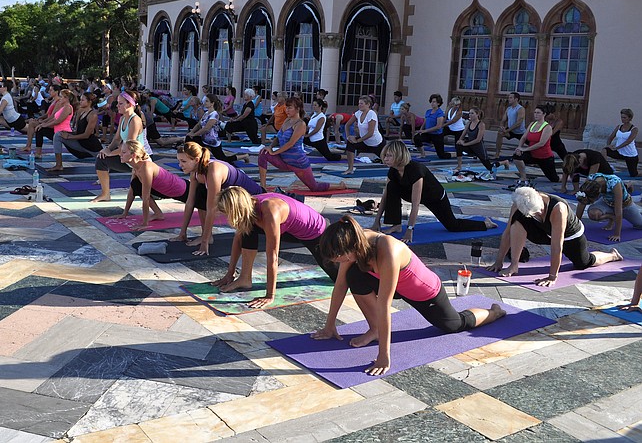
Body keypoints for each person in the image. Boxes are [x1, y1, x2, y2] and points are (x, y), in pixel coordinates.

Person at [310, 215, 507, 376]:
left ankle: (494, 312)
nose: (338, 262)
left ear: (350, 248)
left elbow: (384, 306)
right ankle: (375, 330)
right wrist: (330, 326)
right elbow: (340, 285)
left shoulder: (388, 250)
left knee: (454, 325)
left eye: (338, 258)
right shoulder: (354, 242)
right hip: (393, 284)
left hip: (423, 292)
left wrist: (383, 356)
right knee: (353, 276)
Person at [210, 187, 328, 309]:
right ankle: (245, 278)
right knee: (247, 226)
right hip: (290, 227)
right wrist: (230, 274)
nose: (226, 217)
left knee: (336, 275)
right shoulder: (249, 206)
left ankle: (332, 238)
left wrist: (270, 295)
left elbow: (273, 257)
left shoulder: (269, 211)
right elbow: (238, 239)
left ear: (236, 209)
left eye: (227, 213)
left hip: (315, 232)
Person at [487, 186, 622, 287]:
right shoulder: (520, 200)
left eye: (538, 213)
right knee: (517, 221)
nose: (538, 215)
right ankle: (514, 265)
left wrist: (552, 276)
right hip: (544, 232)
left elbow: (557, 245)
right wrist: (499, 261)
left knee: (583, 263)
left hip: (570, 237)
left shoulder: (558, 208)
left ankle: (612, 255)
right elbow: (507, 233)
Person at [371, 140, 496, 244]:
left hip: (435, 197)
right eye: (385, 156)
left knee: (453, 226)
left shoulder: (416, 170)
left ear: (399, 156)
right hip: (410, 193)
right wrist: (376, 222)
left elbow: (415, 204)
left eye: (389, 156)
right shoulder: (393, 170)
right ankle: (396, 225)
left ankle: (485, 224)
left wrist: (410, 229)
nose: (385, 159)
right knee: (391, 186)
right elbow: (386, 196)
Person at [175, 141, 265, 256]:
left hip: (256, 197)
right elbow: (190, 202)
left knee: (262, 226)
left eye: (183, 161)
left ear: (196, 160)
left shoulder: (213, 171)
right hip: (235, 197)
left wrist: (204, 243)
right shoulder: (195, 173)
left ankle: (207, 237)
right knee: (200, 194)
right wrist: (182, 233)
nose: (180, 165)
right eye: (179, 161)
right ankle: (207, 236)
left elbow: (212, 208)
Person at [258, 97, 346, 192]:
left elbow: (291, 143)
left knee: (314, 187)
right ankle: (263, 187)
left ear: (297, 109)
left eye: (290, 108)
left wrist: (274, 152)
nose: (287, 110)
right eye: (286, 107)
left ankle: (340, 186)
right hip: (284, 160)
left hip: (297, 162)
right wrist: (270, 147)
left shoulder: (301, 124)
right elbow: (278, 137)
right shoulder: (287, 121)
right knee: (263, 153)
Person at [91, 90, 152, 202]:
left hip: (138, 160)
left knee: (150, 194)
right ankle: (105, 194)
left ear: (129, 104)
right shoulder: (123, 118)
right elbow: (117, 139)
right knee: (101, 159)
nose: (117, 106)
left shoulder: (135, 120)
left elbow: (129, 146)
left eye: (120, 103)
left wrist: (110, 153)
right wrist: (107, 149)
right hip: (127, 157)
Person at [120, 140, 192, 230]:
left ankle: (158, 214)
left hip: (183, 189)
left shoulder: (146, 168)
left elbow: (146, 198)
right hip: (168, 191)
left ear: (133, 155)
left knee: (206, 205)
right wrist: (125, 213)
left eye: (123, 152)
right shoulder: (136, 168)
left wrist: (145, 224)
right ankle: (158, 214)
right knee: (136, 184)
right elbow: (132, 190)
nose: (120, 154)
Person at [498, 104, 559, 187]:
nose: (536, 115)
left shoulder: (547, 127)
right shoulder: (532, 124)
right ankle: (523, 177)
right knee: (516, 156)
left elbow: (541, 143)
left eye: (538, 113)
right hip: (532, 154)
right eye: (535, 112)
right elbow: (523, 137)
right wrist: (519, 148)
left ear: (544, 114)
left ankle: (568, 177)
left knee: (554, 179)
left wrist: (525, 149)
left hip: (545, 157)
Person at [576, 173, 642, 242]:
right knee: (594, 214)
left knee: (640, 225)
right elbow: (582, 203)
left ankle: (628, 185)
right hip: (606, 202)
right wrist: (576, 224)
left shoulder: (614, 183)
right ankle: (612, 217)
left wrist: (617, 234)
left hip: (625, 204)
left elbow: (618, 211)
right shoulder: (590, 181)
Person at [185, 93, 248, 165]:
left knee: (223, 159)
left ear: (212, 103)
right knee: (188, 138)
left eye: (207, 101)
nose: (204, 103)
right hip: (204, 139)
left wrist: (194, 134)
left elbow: (206, 128)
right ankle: (190, 161)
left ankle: (244, 156)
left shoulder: (214, 114)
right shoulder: (206, 113)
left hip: (212, 141)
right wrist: (191, 132)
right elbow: (199, 125)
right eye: (205, 101)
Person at [49, 91, 102, 170]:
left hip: (91, 146)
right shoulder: (81, 112)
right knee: (58, 135)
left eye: (82, 100)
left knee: (109, 163)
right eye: (80, 100)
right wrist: (69, 133)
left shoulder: (92, 115)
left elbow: (86, 135)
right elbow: (78, 131)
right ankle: (59, 165)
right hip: (80, 143)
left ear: (89, 102)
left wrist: (68, 137)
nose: (80, 102)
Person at [20, 85, 72, 158]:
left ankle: (31, 147)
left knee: (36, 126)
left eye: (51, 90)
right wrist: (40, 120)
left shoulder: (63, 105)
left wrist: (44, 123)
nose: (49, 92)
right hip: (54, 125)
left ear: (56, 92)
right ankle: (34, 150)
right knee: (36, 125)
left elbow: (55, 118)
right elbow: (50, 116)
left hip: (58, 129)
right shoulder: (56, 102)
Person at [342, 95, 384, 175]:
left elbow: (370, 133)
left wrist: (358, 140)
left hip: (376, 143)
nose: (359, 105)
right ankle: (350, 169)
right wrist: (348, 137)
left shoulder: (371, 113)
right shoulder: (358, 113)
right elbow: (347, 125)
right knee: (350, 144)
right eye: (359, 103)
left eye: (361, 103)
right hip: (364, 141)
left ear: (368, 104)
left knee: (387, 160)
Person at [454, 107, 494, 174]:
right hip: (470, 146)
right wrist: (460, 140)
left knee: (489, 167)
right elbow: (464, 133)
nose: (470, 115)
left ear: (477, 114)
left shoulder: (481, 124)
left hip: (478, 148)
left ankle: (504, 162)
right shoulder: (469, 123)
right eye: (469, 113)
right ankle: (459, 166)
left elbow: (478, 140)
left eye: (472, 113)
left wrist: (465, 144)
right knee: (458, 145)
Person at [412, 94, 451, 159]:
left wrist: (425, 131)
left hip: (437, 135)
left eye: (434, 102)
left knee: (442, 155)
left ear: (438, 103)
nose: (432, 103)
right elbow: (425, 122)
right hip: (428, 134)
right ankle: (422, 154)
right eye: (432, 102)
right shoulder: (428, 111)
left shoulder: (440, 113)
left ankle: (454, 154)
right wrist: (421, 130)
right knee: (417, 138)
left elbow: (438, 126)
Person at [603, 108, 639, 177]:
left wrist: (617, 147)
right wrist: (608, 145)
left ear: (629, 118)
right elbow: (611, 137)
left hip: (630, 154)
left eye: (624, 117)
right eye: (622, 117)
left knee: (634, 174)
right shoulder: (619, 127)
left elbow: (628, 141)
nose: (622, 119)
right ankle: (604, 168)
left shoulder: (634, 129)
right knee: (604, 150)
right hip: (619, 152)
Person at [494, 92, 527, 159]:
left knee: (532, 143)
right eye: (509, 97)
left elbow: (518, 123)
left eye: (511, 98)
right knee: (500, 133)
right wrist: (502, 127)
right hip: (511, 131)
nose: (509, 99)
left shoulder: (520, 109)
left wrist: (507, 130)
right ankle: (497, 154)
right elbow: (503, 120)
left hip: (520, 132)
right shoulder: (508, 109)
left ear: (516, 99)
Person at [441, 97, 466, 166]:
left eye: (458, 105)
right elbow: (445, 116)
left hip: (459, 130)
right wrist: (442, 124)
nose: (457, 106)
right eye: (455, 105)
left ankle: (460, 160)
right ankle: (440, 150)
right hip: (450, 128)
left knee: (457, 146)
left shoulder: (459, 112)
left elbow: (453, 121)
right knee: (440, 134)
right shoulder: (450, 108)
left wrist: (443, 125)